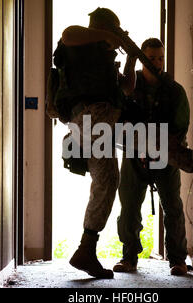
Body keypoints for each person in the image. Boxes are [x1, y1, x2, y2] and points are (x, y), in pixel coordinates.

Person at [53, 8, 136, 279]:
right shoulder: (79, 41)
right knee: (144, 144)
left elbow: (126, 89)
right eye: (111, 29)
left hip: (100, 122)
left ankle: (86, 248)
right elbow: (67, 34)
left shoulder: (103, 59)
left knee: (108, 179)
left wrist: (131, 59)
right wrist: (111, 36)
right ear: (102, 27)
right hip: (91, 118)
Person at [114, 38, 193, 276]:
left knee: (173, 207)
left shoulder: (174, 91)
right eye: (152, 58)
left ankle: (178, 260)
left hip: (166, 156)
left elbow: (181, 126)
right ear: (142, 59)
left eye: (160, 57)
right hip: (133, 154)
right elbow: (117, 116)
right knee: (128, 206)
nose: (157, 63)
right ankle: (128, 257)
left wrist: (162, 146)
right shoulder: (130, 86)